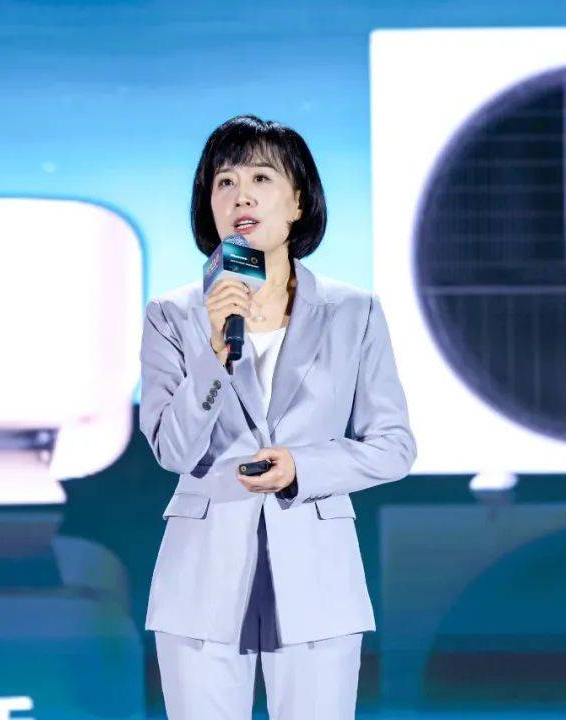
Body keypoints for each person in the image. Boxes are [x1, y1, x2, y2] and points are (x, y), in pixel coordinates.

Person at [138, 114, 417, 719]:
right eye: (225, 182)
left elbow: (394, 445)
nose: (241, 195)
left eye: (261, 178)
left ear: (298, 202)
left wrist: (302, 468)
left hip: (318, 578)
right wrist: (214, 353)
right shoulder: (172, 315)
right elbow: (173, 450)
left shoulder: (354, 311)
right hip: (201, 579)